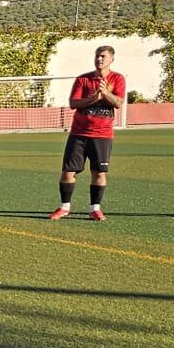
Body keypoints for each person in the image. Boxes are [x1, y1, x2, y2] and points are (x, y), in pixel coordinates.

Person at [51, 45, 125, 221]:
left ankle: (95, 209)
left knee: (99, 173)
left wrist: (105, 92)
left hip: (102, 135)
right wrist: (94, 98)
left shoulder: (117, 79)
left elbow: (118, 103)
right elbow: (74, 103)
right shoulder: (83, 80)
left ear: (111, 59)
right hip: (79, 134)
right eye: (97, 56)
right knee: (68, 172)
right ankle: (64, 207)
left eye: (103, 56)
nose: (99, 59)